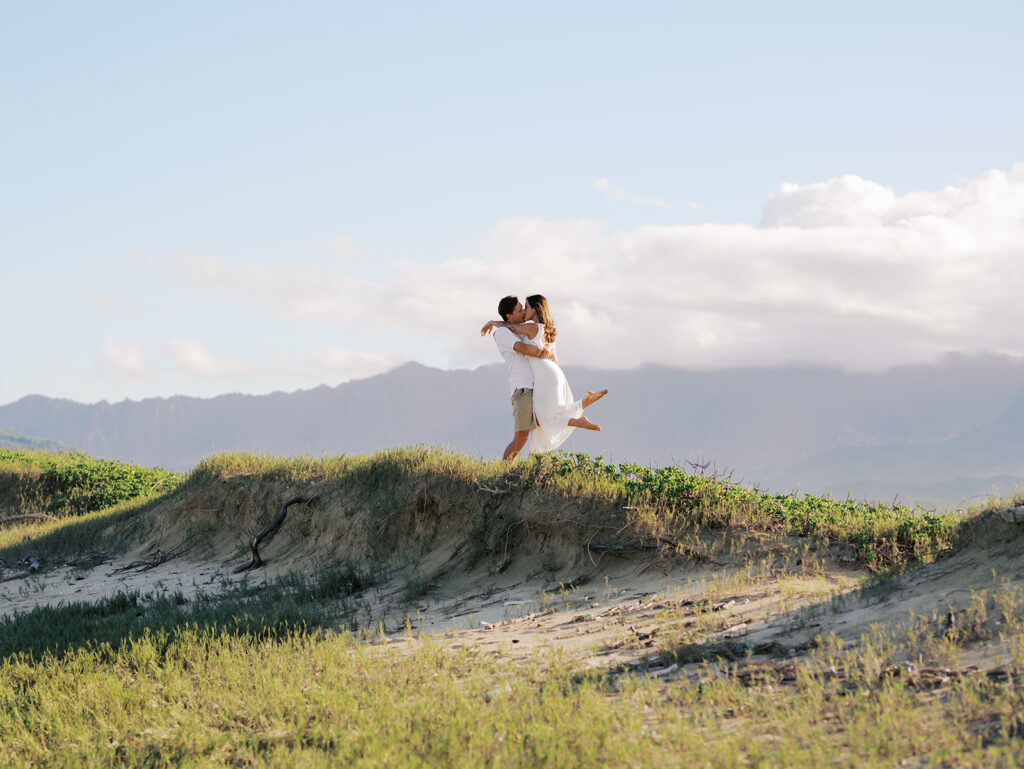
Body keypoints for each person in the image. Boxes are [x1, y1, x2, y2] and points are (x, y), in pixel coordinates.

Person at [481, 294, 608, 457]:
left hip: (541, 378)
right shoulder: (526, 331)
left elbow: (525, 347)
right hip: (545, 376)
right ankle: (580, 410)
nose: (524, 312)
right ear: (509, 315)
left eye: (525, 308)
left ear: (535, 309)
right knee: (544, 420)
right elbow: (521, 340)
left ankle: (506, 470)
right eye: (520, 310)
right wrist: (493, 323)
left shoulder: (529, 328)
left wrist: (493, 323)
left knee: (527, 431)